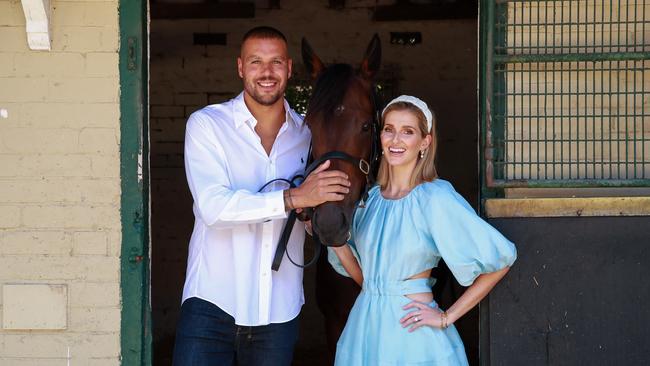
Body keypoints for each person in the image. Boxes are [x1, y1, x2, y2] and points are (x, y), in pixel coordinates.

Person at [172, 26, 351, 366]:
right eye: (256, 62)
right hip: (211, 303)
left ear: (289, 69)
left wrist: (310, 215)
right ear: (241, 67)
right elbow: (213, 208)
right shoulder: (207, 125)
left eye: (275, 62)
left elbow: (315, 214)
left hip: (278, 311)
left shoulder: (309, 135)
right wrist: (293, 198)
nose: (266, 72)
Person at [329, 95, 517, 365]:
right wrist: (331, 236)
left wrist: (446, 317)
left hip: (412, 332)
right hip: (364, 329)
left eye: (408, 132)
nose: (396, 140)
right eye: (389, 129)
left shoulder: (435, 198)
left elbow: (501, 261)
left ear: (425, 142)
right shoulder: (369, 200)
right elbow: (365, 278)